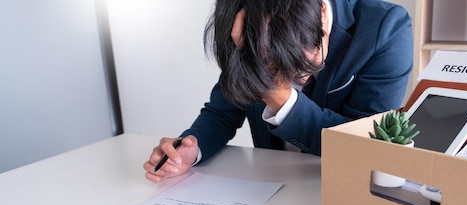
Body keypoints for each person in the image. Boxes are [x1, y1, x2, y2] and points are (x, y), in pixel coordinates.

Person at [143, 0, 413, 183]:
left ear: (321, 14)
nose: (296, 80)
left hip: (342, 187)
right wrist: (192, 147)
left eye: (300, 68)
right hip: (270, 186)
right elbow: (222, 111)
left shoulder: (386, 28)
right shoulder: (247, 31)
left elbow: (366, 145)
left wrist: (274, 91)